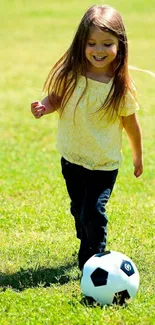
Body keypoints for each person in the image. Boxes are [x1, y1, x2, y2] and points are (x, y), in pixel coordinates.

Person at [31, 5, 143, 270]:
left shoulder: (120, 87)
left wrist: (138, 157)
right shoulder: (71, 76)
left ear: (120, 45)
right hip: (72, 157)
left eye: (107, 43)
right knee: (79, 209)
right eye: (92, 43)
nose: (99, 50)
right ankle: (87, 240)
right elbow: (56, 98)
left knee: (93, 213)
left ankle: (92, 262)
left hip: (103, 164)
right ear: (81, 42)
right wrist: (45, 106)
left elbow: (131, 124)